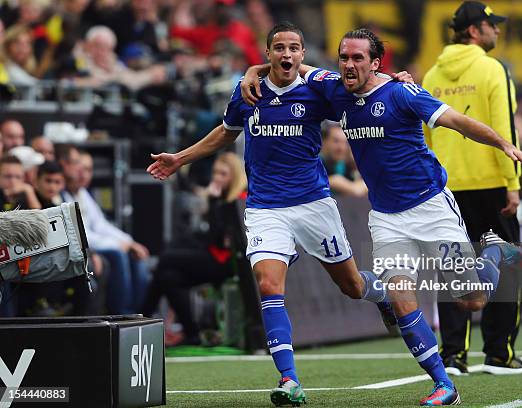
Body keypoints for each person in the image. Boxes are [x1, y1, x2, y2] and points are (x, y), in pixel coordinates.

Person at [241, 27, 522, 406]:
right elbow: (291, 63)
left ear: (376, 63)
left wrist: (505, 144)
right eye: (344, 57)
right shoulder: (333, 88)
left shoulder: (402, 93)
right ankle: (444, 385)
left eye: (358, 58)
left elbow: (458, 122)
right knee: (400, 297)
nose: (348, 64)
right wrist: (254, 70)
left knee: (471, 300)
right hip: (386, 217)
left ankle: (492, 251)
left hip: (431, 208)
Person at [148, 22, 399, 407]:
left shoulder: (318, 87)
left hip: (314, 203)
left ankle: (379, 294)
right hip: (265, 206)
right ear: (267, 54)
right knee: (267, 285)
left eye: (294, 47)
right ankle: (289, 379)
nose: (286, 54)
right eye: (279, 47)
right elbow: (226, 131)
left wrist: (394, 80)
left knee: (351, 286)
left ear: (302, 54)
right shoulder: (249, 90)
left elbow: (359, 83)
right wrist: (180, 158)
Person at [422, 0, 522, 376]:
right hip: (491, 183)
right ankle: (499, 353)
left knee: (451, 266)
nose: (496, 30)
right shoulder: (491, 69)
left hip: (446, 187)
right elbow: (505, 131)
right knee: (506, 263)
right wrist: (512, 184)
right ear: (473, 31)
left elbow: (425, 137)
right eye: (490, 25)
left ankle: (453, 355)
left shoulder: (432, 74)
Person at [142, 152, 247, 345]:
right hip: (213, 257)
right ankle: (192, 333)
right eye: (215, 173)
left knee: (166, 259)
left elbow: (216, 239)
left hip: (226, 262)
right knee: (168, 278)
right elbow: (209, 238)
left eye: (223, 174)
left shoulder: (239, 199)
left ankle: (141, 319)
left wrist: (213, 202)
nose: (217, 178)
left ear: (234, 176)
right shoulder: (223, 199)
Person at [58, 145, 150, 314]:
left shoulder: (83, 193)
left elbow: (101, 225)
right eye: (78, 165)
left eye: (88, 169)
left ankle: (139, 312)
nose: (82, 173)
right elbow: (80, 233)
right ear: (64, 165)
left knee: (135, 255)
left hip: (93, 244)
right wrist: (118, 244)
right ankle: (122, 313)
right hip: (76, 247)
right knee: (118, 254)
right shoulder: (61, 194)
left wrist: (129, 242)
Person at [321, 124, 367, 197]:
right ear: (323, 142)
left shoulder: (343, 165)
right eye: (336, 141)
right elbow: (357, 191)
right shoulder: (314, 165)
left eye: (345, 143)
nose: (341, 148)